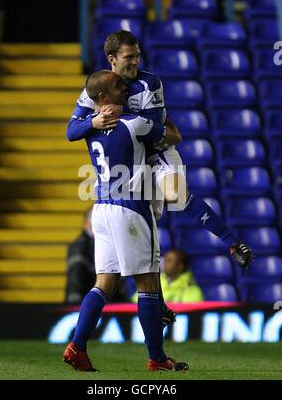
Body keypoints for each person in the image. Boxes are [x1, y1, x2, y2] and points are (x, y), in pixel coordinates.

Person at [67, 30, 254, 273]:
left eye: (137, 56)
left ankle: (232, 242)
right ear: (112, 59)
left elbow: (153, 130)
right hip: (129, 163)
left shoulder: (149, 83)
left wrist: (113, 116)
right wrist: (92, 123)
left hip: (156, 153)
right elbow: (71, 131)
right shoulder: (94, 89)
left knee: (176, 195)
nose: (135, 61)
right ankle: (157, 302)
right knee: (144, 227)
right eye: (129, 57)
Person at [63, 70, 189, 372]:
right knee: (147, 283)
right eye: (118, 86)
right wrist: (166, 126)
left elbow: (71, 131)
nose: (125, 87)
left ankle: (77, 347)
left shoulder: (88, 128)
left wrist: (92, 120)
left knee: (104, 283)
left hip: (102, 208)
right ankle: (157, 358)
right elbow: (173, 136)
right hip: (131, 206)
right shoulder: (134, 123)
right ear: (104, 97)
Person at [65, 208, 128, 304]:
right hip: (86, 303)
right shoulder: (80, 247)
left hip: (106, 304)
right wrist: (74, 304)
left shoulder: (111, 244)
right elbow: (75, 277)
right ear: (86, 223)